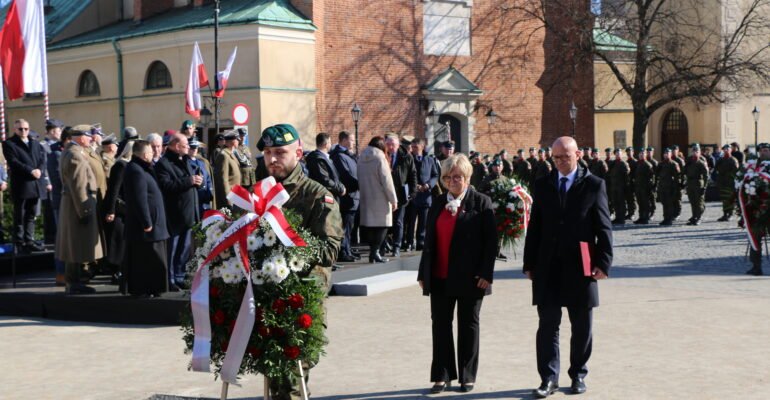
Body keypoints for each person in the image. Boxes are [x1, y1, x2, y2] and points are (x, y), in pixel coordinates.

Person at [257, 123, 343, 400]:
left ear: (299, 153)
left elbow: (330, 250)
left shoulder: (317, 195)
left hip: (302, 297)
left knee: (294, 380)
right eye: (268, 152)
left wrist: (289, 251)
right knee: (273, 375)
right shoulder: (260, 194)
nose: (272, 159)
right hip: (267, 297)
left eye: (280, 152)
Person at [523, 136, 613, 398]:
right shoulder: (543, 184)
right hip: (548, 265)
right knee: (548, 325)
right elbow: (535, 226)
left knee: (582, 325)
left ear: (578, 155)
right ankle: (548, 378)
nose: (561, 161)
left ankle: (578, 374)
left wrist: (603, 263)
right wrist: (530, 262)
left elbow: (603, 227)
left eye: (566, 156)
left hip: (581, 264)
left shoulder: (594, 185)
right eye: (556, 157)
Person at [417, 153, 496, 394]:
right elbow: (428, 240)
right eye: (448, 177)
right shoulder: (439, 203)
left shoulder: (481, 202)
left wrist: (486, 273)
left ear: (467, 178)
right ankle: (441, 375)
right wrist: (423, 273)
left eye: (458, 177)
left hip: (472, 277)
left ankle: (467, 375)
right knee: (440, 326)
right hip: (440, 275)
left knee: (468, 326)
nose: (452, 181)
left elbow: (491, 243)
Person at [56, 125, 103, 294]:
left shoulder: (71, 152)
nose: (91, 138)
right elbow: (79, 186)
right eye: (88, 135)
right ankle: (74, 283)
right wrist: (85, 210)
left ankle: (75, 282)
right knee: (75, 246)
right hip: (78, 206)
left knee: (74, 245)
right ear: (79, 137)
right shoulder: (75, 155)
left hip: (72, 205)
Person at [123, 140, 169, 297]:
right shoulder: (136, 170)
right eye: (150, 152)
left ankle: (153, 288)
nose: (154, 154)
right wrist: (147, 222)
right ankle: (143, 289)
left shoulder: (142, 168)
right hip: (146, 226)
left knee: (152, 259)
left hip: (153, 223)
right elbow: (139, 199)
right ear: (144, 154)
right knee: (145, 259)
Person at [155, 134, 201, 291]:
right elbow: (166, 186)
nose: (188, 147)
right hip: (174, 213)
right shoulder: (164, 163)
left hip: (188, 212)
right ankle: (170, 278)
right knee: (173, 249)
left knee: (185, 248)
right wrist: (189, 181)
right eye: (185, 145)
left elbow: (191, 182)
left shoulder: (185, 160)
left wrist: (198, 183)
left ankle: (180, 275)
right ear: (175, 146)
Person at [3, 119, 48, 252]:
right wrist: (30, 170)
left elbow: (42, 159)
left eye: (26, 129)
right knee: (20, 215)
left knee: (31, 214)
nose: (23, 131)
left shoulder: (35, 143)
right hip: (22, 184)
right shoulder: (9, 143)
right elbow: (13, 162)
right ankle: (19, 242)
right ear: (15, 130)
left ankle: (29, 240)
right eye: (20, 129)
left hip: (35, 184)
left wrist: (39, 169)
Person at [358, 136, 398, 263]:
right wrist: (393, 199)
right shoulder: (380, 158)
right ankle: (375, 252)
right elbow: (387, 181)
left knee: (370, 226)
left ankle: (372, 252)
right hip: (380, 197)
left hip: (366, 196)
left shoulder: (361, 157)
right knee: (383, 225)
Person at [104, 141, 134, 292]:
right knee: (117, 242)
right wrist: (111, 210)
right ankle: (116, 271)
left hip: (126, 210)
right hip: (119, 210)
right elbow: (114, 190)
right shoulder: (121, 165)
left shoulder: (129, 165)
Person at [384, 133, 416, 257]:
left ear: (398, 145)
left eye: (393, 145)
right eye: (388, 144)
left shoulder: (406, 156)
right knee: (385, 222)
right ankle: (384, 244)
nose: (391, 147)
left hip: (400, 194)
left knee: (398, 221)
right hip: (385, 194)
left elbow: (412, 174)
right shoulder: (382, 155)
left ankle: (396, 246)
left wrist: (413, 191)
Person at [330, 131, 360, 262]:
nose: (354, 142)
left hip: (354, 197)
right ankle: (343, 251)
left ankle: (347, 249)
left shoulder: (349, 155)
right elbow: (346, 176)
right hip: (347, 197)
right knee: (345, 226)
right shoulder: (339, 156)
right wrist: (359, 184)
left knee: (349, 227)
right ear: (343, 141)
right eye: (352, 140)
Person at [404, 138, 439, 251]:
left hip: (425, 195)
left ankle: (421, 241)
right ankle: (409, 242)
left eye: (416, 147)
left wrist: (428, 185)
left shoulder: (429, 160)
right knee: (411, 221)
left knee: (423, 221)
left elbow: (435, 175)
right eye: (412, 147)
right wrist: (414, 186)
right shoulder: (409, 159)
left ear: (422, 147)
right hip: (413, 196)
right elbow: (405, 176)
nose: (413, 149)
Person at [306, 132, 346, 201]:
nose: (331, 145)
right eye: (330, 143)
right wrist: (340, 189)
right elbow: (325, 180)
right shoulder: (318, 159)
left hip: (331, 196)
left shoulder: (325, 158)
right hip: (324, 199)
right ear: (325, 144)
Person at [213, 130, 242, 210]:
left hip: (235, 196)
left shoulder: (230, 154)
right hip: (229, 198)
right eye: (237, 140)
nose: (238, 142)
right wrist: (228, 199)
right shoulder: (224, 156)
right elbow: (223, 180)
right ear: (233, 141)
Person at [684, 144, 710, 225]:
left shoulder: (701, 162)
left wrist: (704, 186)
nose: (695, 153)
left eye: (697, 151)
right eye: (694, 151)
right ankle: (694, 216)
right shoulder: (689, 160)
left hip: (699, 183)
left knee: (699, 202)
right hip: (690, 183)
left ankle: (698, 217)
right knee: (692, 201)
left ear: (699, 152)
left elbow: (706, 175)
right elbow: (684, 171)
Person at [188, 138, 216, 214]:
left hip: (205, 198)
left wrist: (210, 194)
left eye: (196, 147)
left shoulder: (201, 163)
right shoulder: (185, 163)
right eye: (192, 147)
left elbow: (208, 179)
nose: (194, 150)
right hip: (195, 198)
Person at [656, 148, 680, 226]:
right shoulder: (661, 164)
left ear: (670, 154)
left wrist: (676, 188)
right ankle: (665, 218)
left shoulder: (674, 164)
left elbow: (677, 177)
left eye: (668, 153)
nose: (666, 155)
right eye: (665, 153)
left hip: (670, 187)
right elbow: (657, 174)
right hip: (662, 187)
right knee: (664, 203)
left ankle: (669, 219)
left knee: (669, 204)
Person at [715, 144, 739, 221]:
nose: (726, 151)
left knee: (730, 199)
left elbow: (735, 172)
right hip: (722, 182)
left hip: (730, 183)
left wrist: (728, 176)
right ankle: (725, 214)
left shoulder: (733, 160)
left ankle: (730, 213)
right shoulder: (721, 160)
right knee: (724, 199)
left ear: (730, 150)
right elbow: (716, 168)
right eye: (724, 149)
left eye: (727, 149)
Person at [633, 148, 654, 224]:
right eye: (640, 154)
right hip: (638, 187)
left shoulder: (648, 164)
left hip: (645, 187)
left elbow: (652, 177)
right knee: (640, 202)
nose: (641, 155)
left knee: (645, 203)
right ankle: (641, 217)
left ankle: (646, 217)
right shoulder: (638, 164)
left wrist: (650, 187)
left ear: (645, 155)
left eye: (643, 154)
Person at [609, 148, 629, 224]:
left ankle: (622, 218)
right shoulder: (613, 163)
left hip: (621, 187)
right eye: (617, 153)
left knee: (621, 203)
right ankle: (617, 217)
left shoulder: (623, 163)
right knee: (615, 202)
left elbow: (626, 176)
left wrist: (625, 187)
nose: (618, 155)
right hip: (614, 186)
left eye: (619, 153)